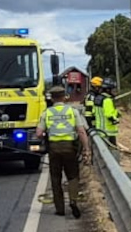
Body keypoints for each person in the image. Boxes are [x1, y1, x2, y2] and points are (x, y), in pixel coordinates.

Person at [36, 85, 92, 218]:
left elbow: (39, 133)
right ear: (64, 97)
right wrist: (86, 149)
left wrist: (46, 133)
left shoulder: (47, 113)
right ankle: (73, 201)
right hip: (70, 148)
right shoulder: (72, 111)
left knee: (56, 178)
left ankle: (60, 208)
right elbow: (81, 131)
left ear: (52, 99)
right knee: (73, 175)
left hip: (54, 149)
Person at [98, 79, 121, 146]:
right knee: (112, 150)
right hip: (108, 132)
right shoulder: (107, 100)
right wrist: (116, 118)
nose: (114, 92)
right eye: (113, 90)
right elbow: (109, 115)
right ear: (108, 90)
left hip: (100, 130)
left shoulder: (98, 98)